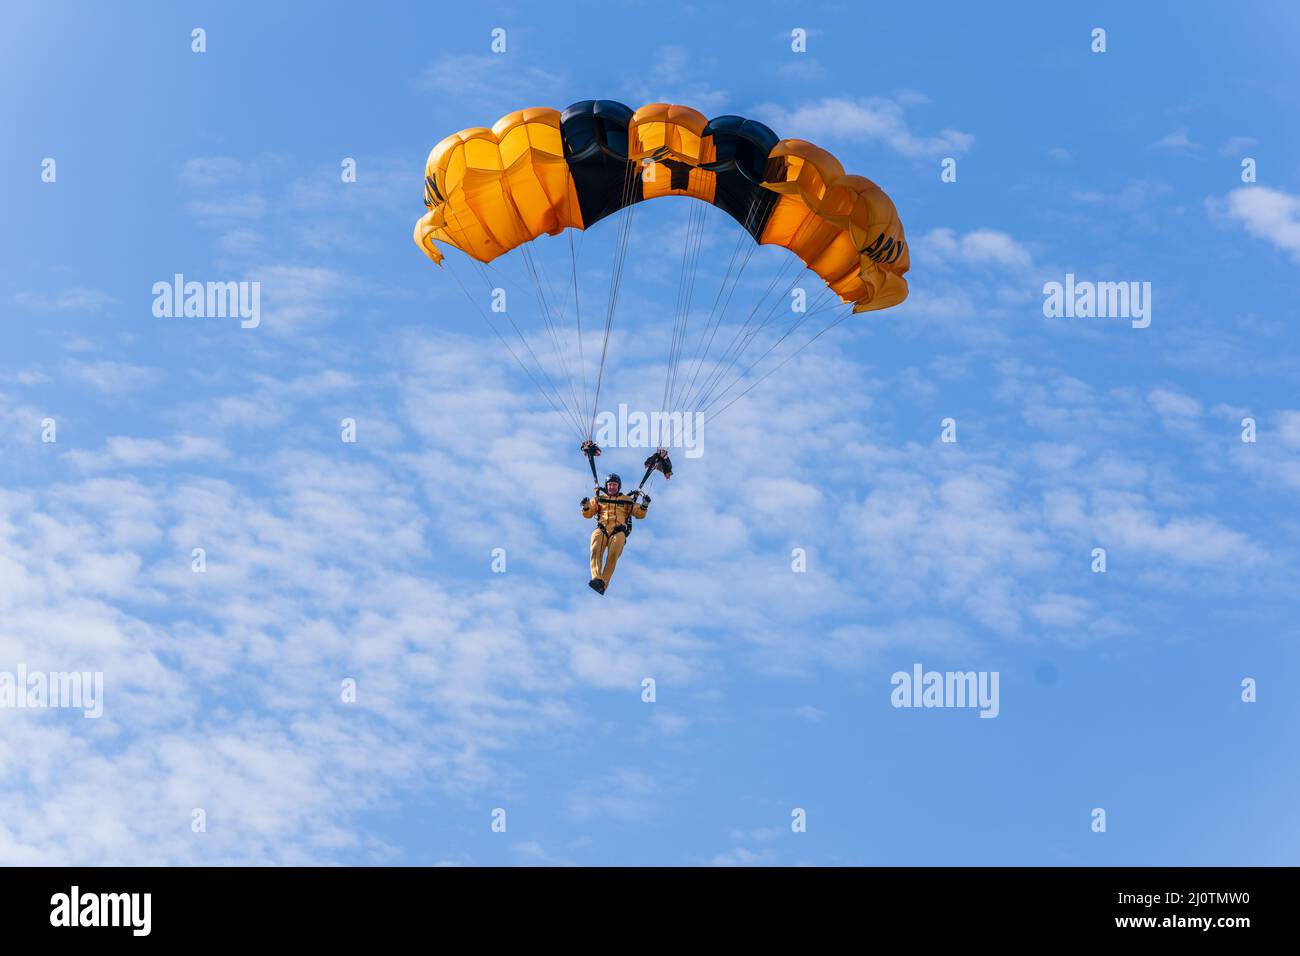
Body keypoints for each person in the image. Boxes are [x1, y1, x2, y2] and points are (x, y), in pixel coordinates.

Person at [581, 473, 649, 594]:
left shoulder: (627, 501)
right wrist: (586, 506)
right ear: (606, 486)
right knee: (595, 549)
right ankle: (596, 578)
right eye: (610, 485)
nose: (612, 487)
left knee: (613, 555)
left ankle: (603, 584)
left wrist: (644, 505)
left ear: (619, 487)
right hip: (602, 529)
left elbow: (639, 514)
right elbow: (588, 514)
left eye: (614, 485)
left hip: (618, 531)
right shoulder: (598, 498)